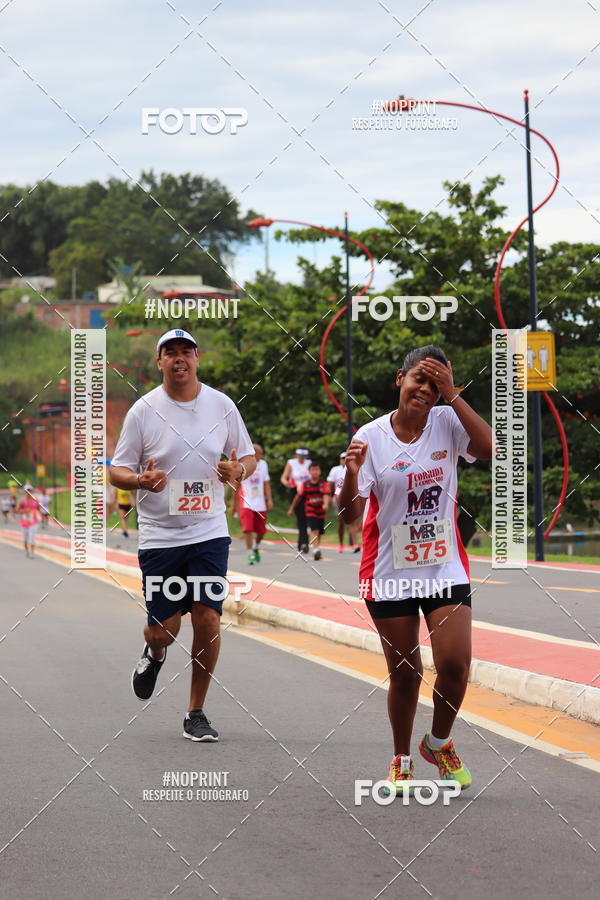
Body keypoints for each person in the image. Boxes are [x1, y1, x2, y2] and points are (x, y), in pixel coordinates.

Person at [339, 345, 492, 795]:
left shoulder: (449, 421)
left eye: (436, 383)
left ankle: (438, 743)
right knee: (406, 672)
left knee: (455, 664)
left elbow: (487, 448)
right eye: (418, 380)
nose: (425, 390)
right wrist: (350, 474)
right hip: (389, 569)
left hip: (443, 564)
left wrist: (454, 395)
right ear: (399, 379)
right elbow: (348, 515)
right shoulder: (370, 437)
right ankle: (402, 758)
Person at [110, 328, 256, 742]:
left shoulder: (222, 405)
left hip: (209, 531)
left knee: (208, 616)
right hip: (160, 535)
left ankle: (196, 711)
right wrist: (140, 480)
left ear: (197, 358)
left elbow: (247, 455)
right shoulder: (143, 411)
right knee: (165, 630)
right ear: (159, 362)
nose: (179, 359)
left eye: (185, 352)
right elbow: (116, 469)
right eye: (169, 353)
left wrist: (239, 470)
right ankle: (154, 653)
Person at [238, 443, 273, 564]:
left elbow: (266, 483)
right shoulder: (243, 463)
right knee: (247, 529)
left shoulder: (263, 464)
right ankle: (250, 554)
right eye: (260, 453)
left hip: (260, 502)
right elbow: (236, 484)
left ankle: (256, 547)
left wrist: (269, 499)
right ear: (254, 453)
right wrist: (234, 505)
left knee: (261, 531)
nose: (261, 455)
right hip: (246, 502)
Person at [288, 462, 330, 560]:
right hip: (310, 510)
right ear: (309, 472)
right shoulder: (305, 485)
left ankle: (317, 548)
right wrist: (291, 509)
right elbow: (298, 497)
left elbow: (326, 495)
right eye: (313, 470)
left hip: (321, 511)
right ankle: (316, 550)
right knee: (314, 529)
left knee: (319, 531)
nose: (315, 472)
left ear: (320, 472)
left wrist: (326, 504)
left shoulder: (323, 484)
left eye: (317, 470)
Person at [327, 452, 360, 554]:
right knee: (341, 523)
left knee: (352, 522)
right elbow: (333, 487)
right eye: (343, 458)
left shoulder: (355, 469)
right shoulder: (336, 470)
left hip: (350, 499)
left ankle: (355, 544)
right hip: (339, 499)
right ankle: (341, 544)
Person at [280, 448, 311, 552]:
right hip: (295, 493)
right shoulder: (291, 463)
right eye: (300, 455)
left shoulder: (309, 463)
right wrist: (287, 483)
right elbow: (284, 477)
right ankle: (304, 543)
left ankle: (302, 543)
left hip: (308, 493)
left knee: (307, 518)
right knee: (301, 518)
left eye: (304, 456)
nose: (302, 458)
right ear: (296, 455)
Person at [16, 484, 40, 559]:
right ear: (25, 491)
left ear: (31, 491)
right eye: (27, 490)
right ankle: (27, 551)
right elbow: (16, 511)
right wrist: (24, 511)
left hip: (33, 522)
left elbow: (39, 509)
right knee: (25, 539)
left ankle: (32, 553)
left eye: (30, 490)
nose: (28, 492)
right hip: (24, 522)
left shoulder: (35, 499)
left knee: (32, 537)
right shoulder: (22, 500)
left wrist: (43, 516)